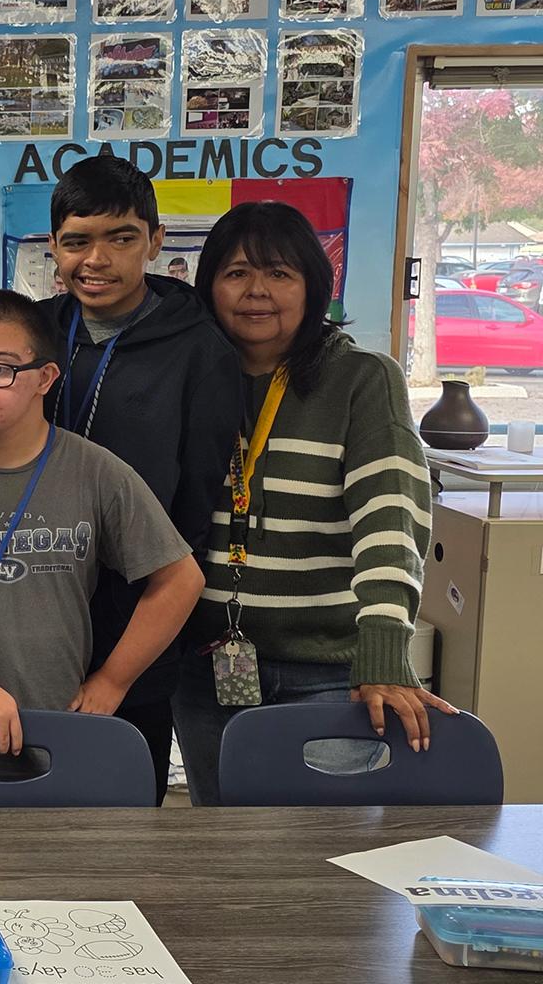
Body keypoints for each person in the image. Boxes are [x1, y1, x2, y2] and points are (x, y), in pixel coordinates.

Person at [176, 201, 456, 805]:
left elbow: (391, 518)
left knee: (320, 852)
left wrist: (383, 650)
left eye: (280, 274)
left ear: (313, 286)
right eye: (236, 273)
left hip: (327, 673)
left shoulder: (361, 379)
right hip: (206, 668)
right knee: (219, 844)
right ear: (209, 286)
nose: (257, 291)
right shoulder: (192, 376)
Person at [0, 291, 204, 766]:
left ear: (45, 378)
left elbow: (181, 579)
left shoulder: (92, 470)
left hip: (58, 730)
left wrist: (113, 681)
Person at [38, 155, 241, 801]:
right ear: (54, 248)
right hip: (31, 607)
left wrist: (131, 656)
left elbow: (193, 510)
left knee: (119, 810)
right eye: (77, 241)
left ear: (155, 241)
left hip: (136, 622)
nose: (96, 259)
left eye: (120, 238)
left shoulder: (201, 350)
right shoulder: (34, 332)